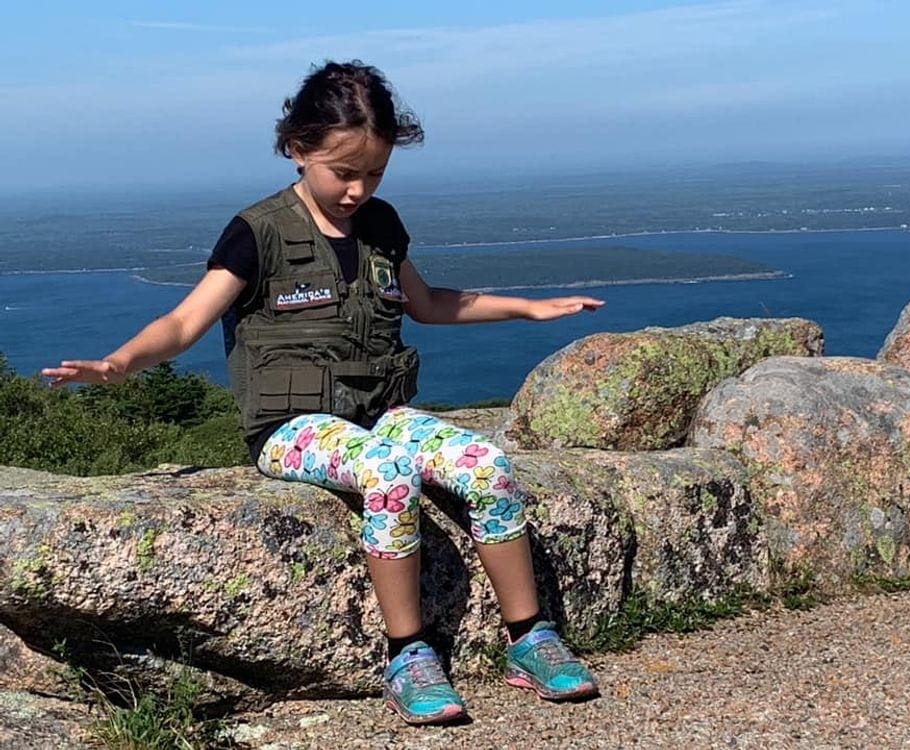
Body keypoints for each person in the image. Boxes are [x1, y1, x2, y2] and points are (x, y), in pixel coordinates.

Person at [43, 60, 605, 726]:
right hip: (290, 425)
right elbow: (185, 322)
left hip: (380, 412)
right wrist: (120, 363)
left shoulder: (382, 227)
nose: (357, 189)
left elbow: (426, 302)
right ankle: (408, 653)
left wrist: (528, 309)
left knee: (487, 465)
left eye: (374, 174)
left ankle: (530, 637)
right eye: (344, 172)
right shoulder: (258, 233)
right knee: (388, 475)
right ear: (298, 148)